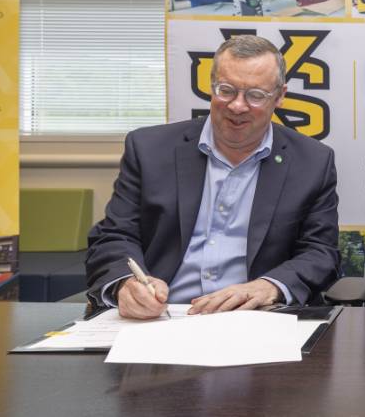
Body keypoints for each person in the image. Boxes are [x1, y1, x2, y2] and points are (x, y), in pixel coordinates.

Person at [86, 35, 340, 319]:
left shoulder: (312, 162)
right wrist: (127, 283)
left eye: (255, 95)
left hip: (257, 319)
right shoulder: (149, 149)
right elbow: (115, 236)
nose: (237, 106)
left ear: (280, 96)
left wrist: (268, 287)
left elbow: (320, 252)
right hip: (162, 317)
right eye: (227, 90)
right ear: (211, 86)